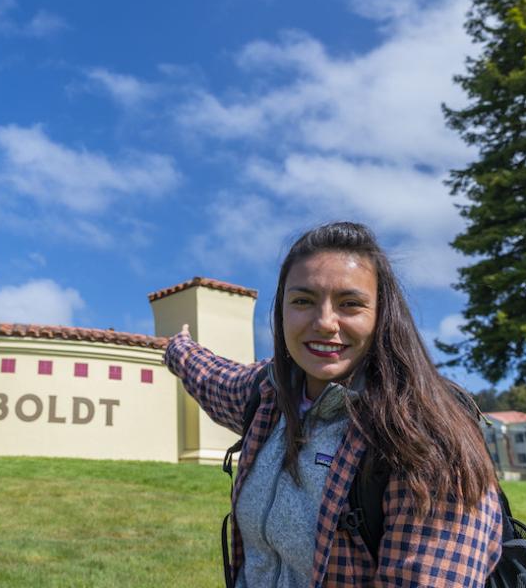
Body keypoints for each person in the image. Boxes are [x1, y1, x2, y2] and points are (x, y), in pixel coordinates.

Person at [165, 222, 502, 587]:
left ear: (382, 315)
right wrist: (178, 349)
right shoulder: (269, 394)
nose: (325, 322)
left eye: (350, 304)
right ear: (281, 312)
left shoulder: (426, 434)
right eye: (303, 301)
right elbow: (214, 378)